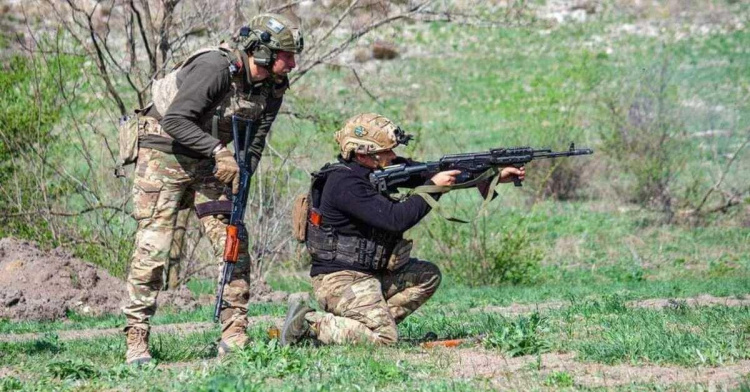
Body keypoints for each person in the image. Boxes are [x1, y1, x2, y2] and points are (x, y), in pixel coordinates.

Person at [122, 13, 303, 364]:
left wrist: (242, 179)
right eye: (287, 55)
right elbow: (175, 120)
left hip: (211, 163)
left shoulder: (272, 86)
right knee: (153, 246)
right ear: (262, 53)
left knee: (233, 240)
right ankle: (136, 336)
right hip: (165, 155)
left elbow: (255, 141)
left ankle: (234, 331)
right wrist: (219, 151)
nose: (293, 64)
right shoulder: (215, 68)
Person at [280, 113, 525, 346]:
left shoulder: (375, 172)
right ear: (365, 153)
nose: (393, 155)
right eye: (386, 151)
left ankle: (361, 327)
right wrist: (433, 188)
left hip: (370, 274)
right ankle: (309, 323)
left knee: (426, 275)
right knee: (385, 341)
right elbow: (396, 219)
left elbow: (430, 173)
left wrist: (489, 175)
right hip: (340, 279)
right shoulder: (345, 183)